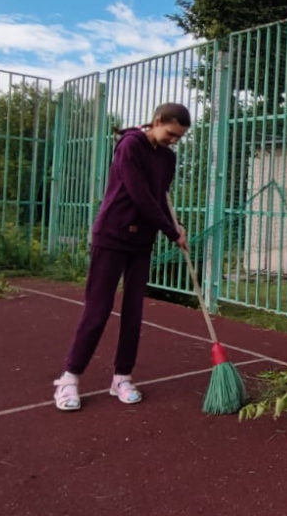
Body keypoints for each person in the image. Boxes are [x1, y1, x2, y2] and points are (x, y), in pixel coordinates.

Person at [52, 103, 191, 411]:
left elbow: (159, 196)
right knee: (98, 309)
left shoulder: (168, 158)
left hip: (141, 241)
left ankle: (122, 377)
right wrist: (171, 231)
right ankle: (69, 379)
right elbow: (140, 195)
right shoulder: (129, 145)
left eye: (179, 137)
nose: (173, 140)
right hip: (112, 235)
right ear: (156, 122)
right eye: (170, 133)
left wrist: (175, 224)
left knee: (133, 312)